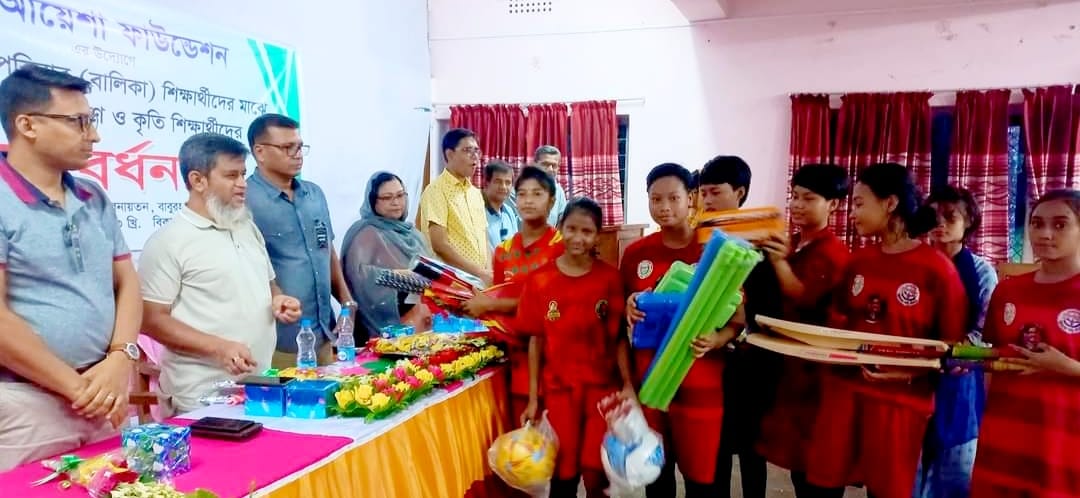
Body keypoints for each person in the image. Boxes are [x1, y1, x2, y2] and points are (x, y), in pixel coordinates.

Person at [0, 66, 142, 471]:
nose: (93, 135)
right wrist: (77, 388)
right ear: (27, 125)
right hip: (27, 402)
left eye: (91, 121)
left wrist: (121, 357)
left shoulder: (92, 196)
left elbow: (127, 282)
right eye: (78, 122)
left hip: (103, 393)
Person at [803, 163, 968, 498]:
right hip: (844, 392)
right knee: (822, 483)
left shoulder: (937, 270)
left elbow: (953, 348)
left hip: (899, 401)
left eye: (859, 203)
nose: (852, 213)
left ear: (890, 203)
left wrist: (908, 372)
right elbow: (838, 323)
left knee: (886, 490)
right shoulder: (858, 262)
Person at [139, 133, 302, 415]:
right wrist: (218, 348)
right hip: (200, 397)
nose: (242, 184)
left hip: (257, 386)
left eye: (243, 174)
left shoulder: (246, 227)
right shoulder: (168, 242)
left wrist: (279, 300)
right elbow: (150, 320)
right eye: (231, 176)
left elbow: (269, 284)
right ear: (197, 180)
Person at [622, 163, 741, 497]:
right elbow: (621, 316)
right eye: (655, 199)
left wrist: (717, 338)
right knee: (656, 477)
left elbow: (738, 318)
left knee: (703, 480)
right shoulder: (636, 253)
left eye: (673, 198)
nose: (664, 207)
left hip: (700, 383)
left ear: (690, 197)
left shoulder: (715, 250)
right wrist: (629, 306)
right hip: (653, 382)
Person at [518, 198, 634, 498]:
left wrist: (628, 385)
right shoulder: (540, 280)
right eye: (571, 229)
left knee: (598, 471)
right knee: (563, 470)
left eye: (587, 231)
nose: (578, 238)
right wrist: (533, 399)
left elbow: (619, 338)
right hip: (559, 390)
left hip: (602, 391)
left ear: (597, 235)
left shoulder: (610, 278)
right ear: (560, 228)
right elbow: (536, 340)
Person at [970, 189, 1080, 498]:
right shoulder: (1008, 291)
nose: (1044, 234)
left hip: (1064, 444)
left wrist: (1068, 368)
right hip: (1003, 436)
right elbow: (993, 363)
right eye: (1037, 223)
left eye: (1060, 224)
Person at [753, 164, 851, 498]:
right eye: (794, 196)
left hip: (817, 372)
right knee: (798, 463)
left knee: (819, 466)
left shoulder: (833, 252)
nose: (796, 205)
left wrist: (779, 262)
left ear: (833, 205)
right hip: (789, 368)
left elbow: (804, 296)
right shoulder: (793, 243)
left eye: (808, 198)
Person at [698, 155, 782, 498]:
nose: (707, 200)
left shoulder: (763, 241)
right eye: (703, 193)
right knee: (716, 443)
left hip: (753, 359)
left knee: (751, 448)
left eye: (715, 192)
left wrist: (744, 335)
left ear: (740, 192)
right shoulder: (703, 239)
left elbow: (770, 304)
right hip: (714, 356)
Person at [245, 114, 354, 368]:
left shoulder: (314, 194)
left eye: (299, 146)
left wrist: (347, 304)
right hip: (277, 342)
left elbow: (327, 252)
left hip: (322, 335)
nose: (297, 155)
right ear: (260, 152)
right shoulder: (245, 201)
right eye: (287, 147)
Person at [915, 186, 998, 498]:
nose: (940, 223)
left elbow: (984, 333)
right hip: (912, 370)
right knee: (910, 464)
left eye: (950, 217)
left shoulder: (981, 271)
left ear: (969, 222)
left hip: (959, 375)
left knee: (956, 469)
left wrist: (955, 354)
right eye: (933, 216)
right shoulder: (915, 263)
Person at [462, 165, 562, 421]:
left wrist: (488, 305)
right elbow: (498, 296)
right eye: (523, 194)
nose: (528, 200)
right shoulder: (504, 251)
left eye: (537, 194)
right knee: (522, 437)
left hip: (555, 359)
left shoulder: (560, 246)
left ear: (551, 201)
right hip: (516, 361)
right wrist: (478, 304)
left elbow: (550, 304)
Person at [341, 172, 434, 340]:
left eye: (400, 195)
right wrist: (398, 276)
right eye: (387, 197)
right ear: (372, 201)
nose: (396, 202)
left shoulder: (413, 234)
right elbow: (357, 278)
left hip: (422, 325)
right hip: (384, 329)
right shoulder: (364, 233)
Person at [419, 128, 491, 284]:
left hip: (479, 282)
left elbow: (484, 239)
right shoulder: (436, 190)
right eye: (467, 150)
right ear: (449, 154)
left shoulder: (475, 193)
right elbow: (440, 245)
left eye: (476, 151)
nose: (475, 156)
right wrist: (480, 273)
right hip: (451, 283)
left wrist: (489, 274)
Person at [482, 160, 520, 251]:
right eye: (498, 181)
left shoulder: (509, 211)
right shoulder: (478, 210)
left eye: (508, 182)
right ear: (486, 183)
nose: (503, 187)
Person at [534, 145, 568, 226]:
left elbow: (561, 223)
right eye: (545, 164)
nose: (550, 169)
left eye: (554, 165)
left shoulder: (559, 191)